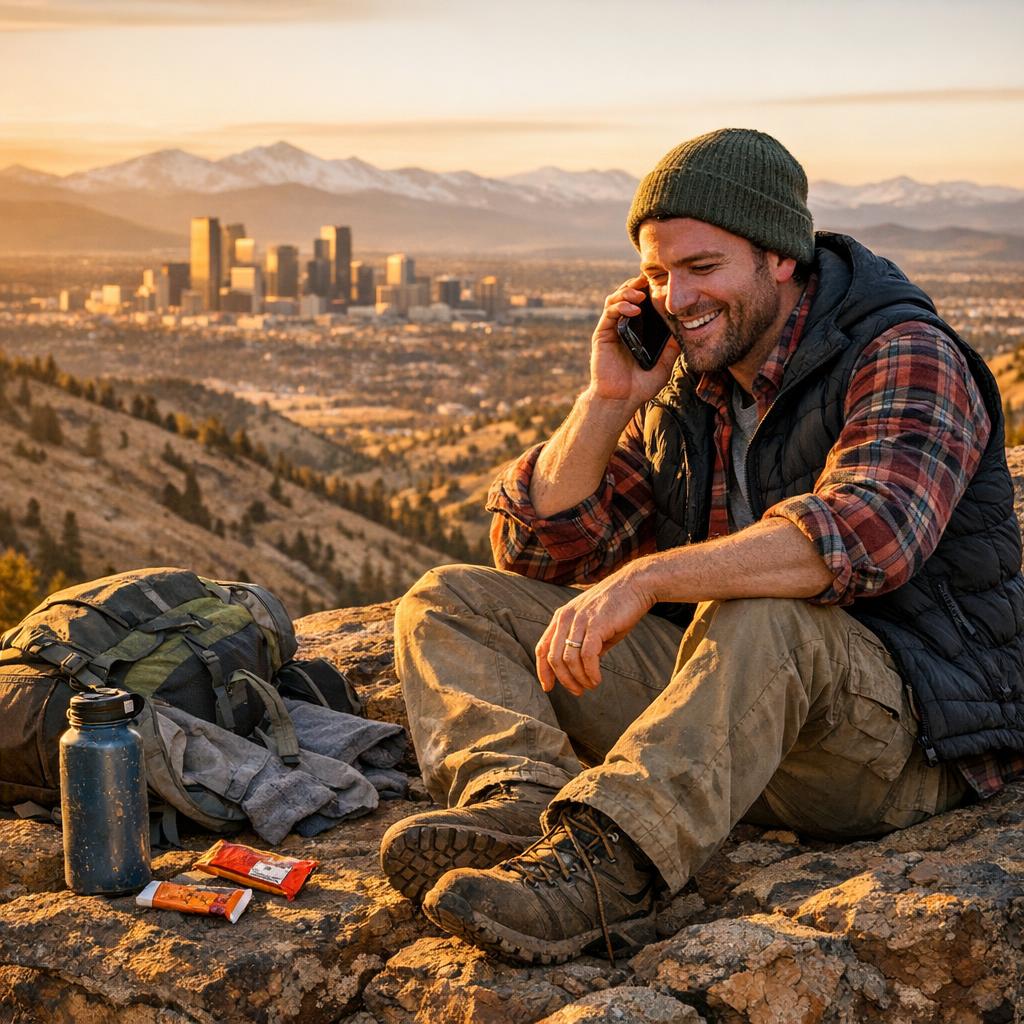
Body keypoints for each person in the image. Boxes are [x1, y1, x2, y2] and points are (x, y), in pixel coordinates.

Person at [379, 128, 1024, 966]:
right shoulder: (689, 386)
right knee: (449, 599)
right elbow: (533, 548)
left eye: (702, 267)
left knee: (760, 608)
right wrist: (608, 399)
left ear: (781, 257)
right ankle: (521, 810)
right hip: (733, 726)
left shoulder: (904, 353)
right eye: (656, 273)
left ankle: (613, 875)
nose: (676, 297)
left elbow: (866, 535)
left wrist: (649, 578)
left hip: (904, 741)